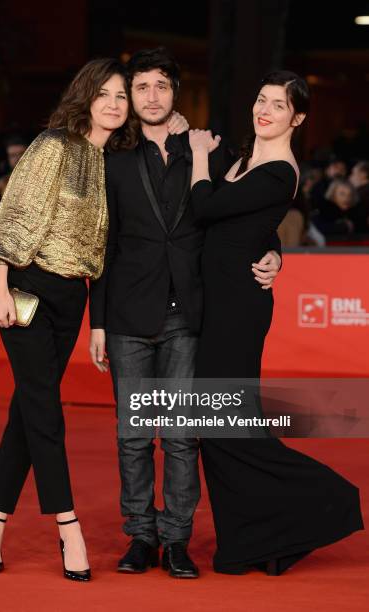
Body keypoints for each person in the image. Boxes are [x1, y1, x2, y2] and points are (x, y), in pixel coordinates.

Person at [89, 48, 283, 579]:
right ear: (131, 96)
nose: (152, 97)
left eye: (161, 86)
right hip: (128, 314)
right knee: (133, 434)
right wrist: (98, 323)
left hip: (191, 314)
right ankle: (140, 536)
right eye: (142, 87)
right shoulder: (114, 159)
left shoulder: (209, 151)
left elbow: (245, 215)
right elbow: (101, 245)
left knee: (179, 434)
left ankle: (176, 540)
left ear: (176, 92)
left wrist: (274, 252)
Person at [189, 70, 364, 576]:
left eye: (279, 105)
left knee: (225, 425)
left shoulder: (280, 171)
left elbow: (205, 206)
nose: (264, 110)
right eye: (261, 100)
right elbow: (249, 225)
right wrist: (274, 249)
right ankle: (253, 541)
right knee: (217, 426)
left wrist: (201, 153)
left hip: (239, 308)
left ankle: (327, 500)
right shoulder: (246, 158)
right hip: (217, 302)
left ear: (298, 117)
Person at [0, 58, 134, 582]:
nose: (115, 103)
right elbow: (16, 212)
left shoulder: (111, 160)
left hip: (72, 300)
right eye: (106, 93)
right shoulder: (52, 146)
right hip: (27, 289)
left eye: (122, 95)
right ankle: (69, 526)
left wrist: (96, 322)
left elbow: (106, 249)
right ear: (85, 95)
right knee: (46, 411)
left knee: (28, 411)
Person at [349, 160, 369, 234]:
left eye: (353, 173)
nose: (350, 177)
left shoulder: (363, 193)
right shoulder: (360, 192)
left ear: (363, 174)